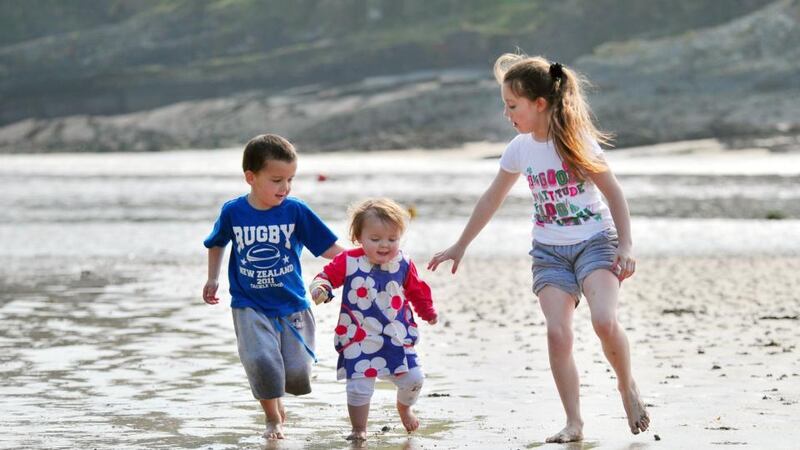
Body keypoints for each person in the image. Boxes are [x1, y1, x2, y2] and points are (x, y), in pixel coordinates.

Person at [427, 54, 650, 443]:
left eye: (512, 105)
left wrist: (626, 246)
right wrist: (460, 245)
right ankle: (574, 421)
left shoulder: (577, 142)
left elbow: (614, 194)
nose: (506, 113)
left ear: (540, 103)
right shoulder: (519, 149)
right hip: (549, 253)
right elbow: (491, 199)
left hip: (596, 242)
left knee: (603, 320)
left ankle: (626, 385)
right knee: (557, 334)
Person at [202, 133, 344, 440]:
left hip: (292, 302)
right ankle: (272, 418)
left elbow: (329, 247)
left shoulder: (295, 211)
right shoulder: (233, 211)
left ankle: (280, 400)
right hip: (248, 303)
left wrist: (364, 260)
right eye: (277, 180)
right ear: (251, 178)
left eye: (290, 179)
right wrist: (213, 278)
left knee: (295, 374)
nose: (285, 187)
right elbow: (216, 243)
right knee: (262, 361)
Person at [309, 198, 438, 442]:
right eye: (375, 239)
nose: (384, 245)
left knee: (414, 379)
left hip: (395, 336)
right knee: (359, 387)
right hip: (359, 337)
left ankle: (405, 407)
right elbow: (325, 276)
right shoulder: (348, 261)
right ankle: (359, 428)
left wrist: (427, 311)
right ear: (359, 237)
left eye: (392, 239)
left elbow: (417, 291)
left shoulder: (403, 263)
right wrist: (321, 287)